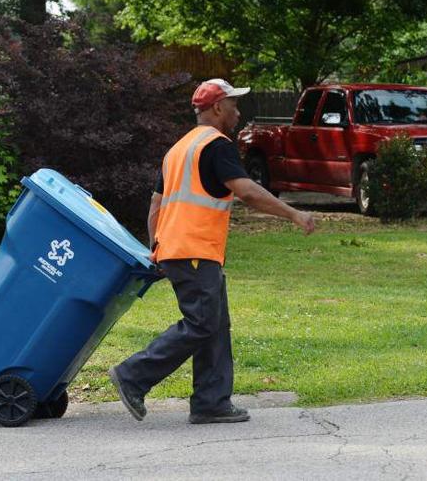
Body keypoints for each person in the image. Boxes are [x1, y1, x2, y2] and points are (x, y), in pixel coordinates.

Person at [108, 78, 315, 424]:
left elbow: (156, 204)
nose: (238, 112)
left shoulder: (178, 149)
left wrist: (156, 247)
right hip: (195, 250)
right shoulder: (217, 146)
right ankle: (132, 375)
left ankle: (211, 402)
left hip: (181, 250)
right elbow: (247, 191)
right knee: (202, 323)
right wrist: (293, 214)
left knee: (214, 324)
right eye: (234, 104)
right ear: (218, 107)